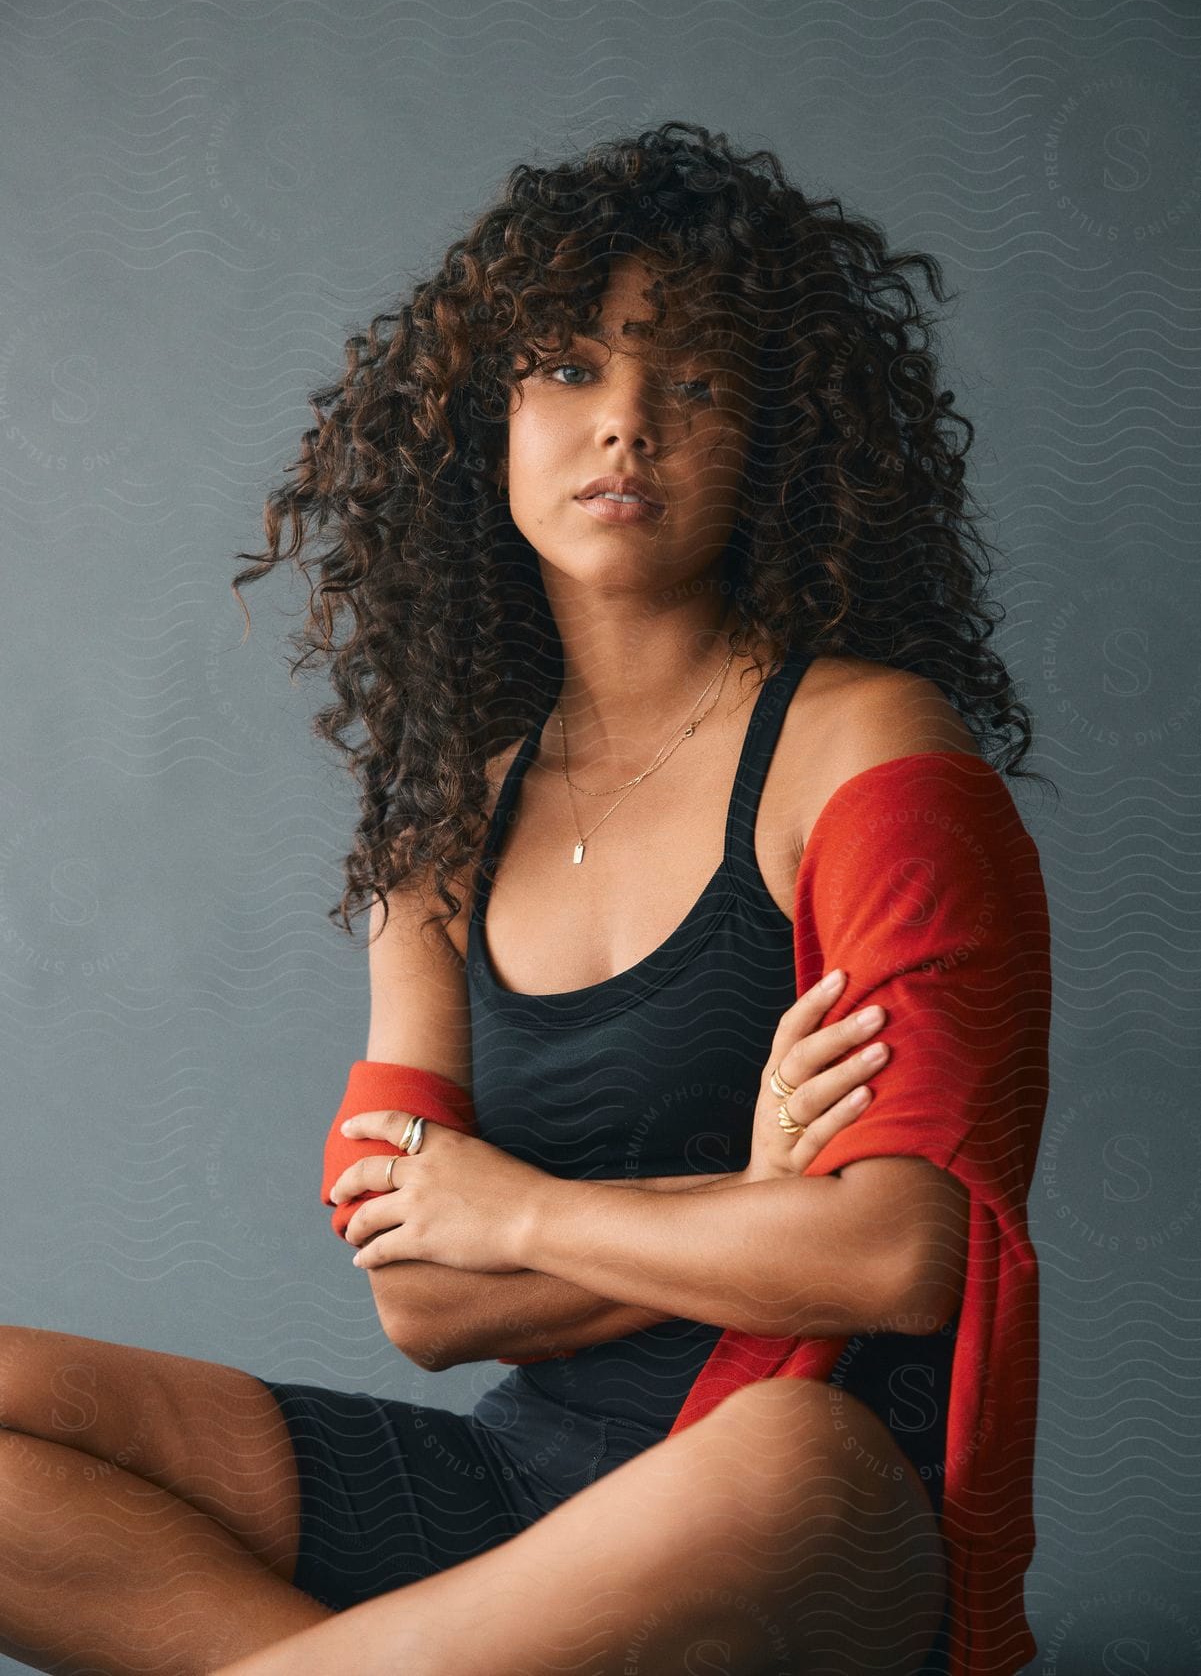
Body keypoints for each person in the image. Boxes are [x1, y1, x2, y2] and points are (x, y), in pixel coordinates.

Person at [0, 123, 1048, 1676]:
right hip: (510, 1492)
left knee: (786, 1458)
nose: (622, 423)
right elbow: (421, 1305)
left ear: (772, 442)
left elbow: (896, 1260)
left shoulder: (861, 749)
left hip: (797, 1501)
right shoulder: (438, 840)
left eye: (689, 384)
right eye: (563, 369)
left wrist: (524, 1213)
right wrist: (735, 1205)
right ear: (475, 426)